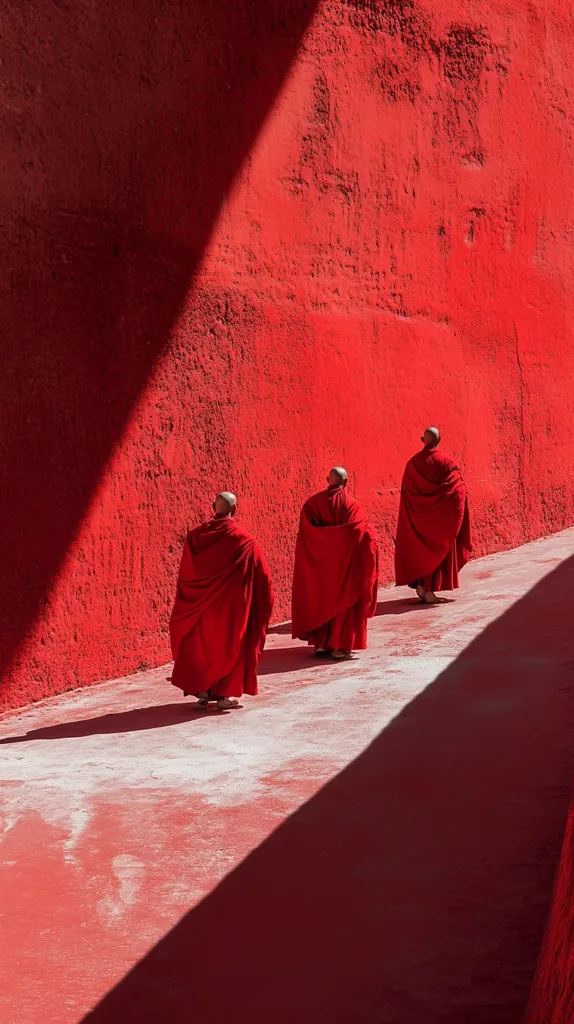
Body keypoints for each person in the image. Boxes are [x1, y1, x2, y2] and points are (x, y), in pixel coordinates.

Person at [169, 492, 274, 710]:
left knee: (201, 647)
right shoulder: (244, 540)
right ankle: (225, 696)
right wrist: (265, 603)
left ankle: (203, 691)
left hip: (199, 609)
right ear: (234, 510)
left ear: (212, 506)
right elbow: (262, 578)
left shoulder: (195, 537)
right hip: (231, 611)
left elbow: (186, 574)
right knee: (231, 646)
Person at [291, 467, 379, 659]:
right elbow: (358, 533)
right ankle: (339, 646)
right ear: (346, 482)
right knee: (343, 602)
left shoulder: (312, 504)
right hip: (345, 565)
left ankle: (321, 644)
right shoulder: (352, 505)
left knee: (322, 599)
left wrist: (322, 546)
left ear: (327, 480)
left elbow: (308, 532)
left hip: (320, 565)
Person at [395, 428, 472, 604]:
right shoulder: (447, 463)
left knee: (422, 551)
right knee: (438, 548)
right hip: (439, 521)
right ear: (440, 439)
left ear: (423, 439)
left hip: (418, 520)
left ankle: (422, 586)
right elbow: (458, 491)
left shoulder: (412, 464)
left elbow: (406, 494)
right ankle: (430, 590)